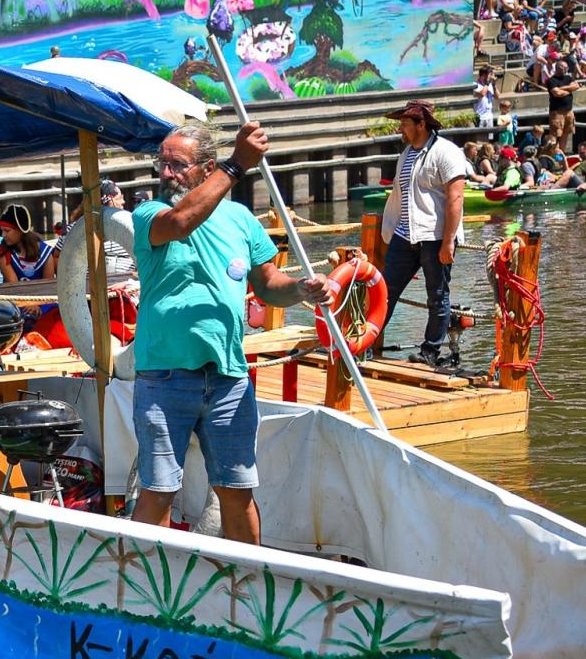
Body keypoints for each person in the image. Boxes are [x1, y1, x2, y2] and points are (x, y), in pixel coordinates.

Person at [126, 121, 331, 543]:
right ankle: (144, 589)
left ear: (205, 168)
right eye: (161, 163)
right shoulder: (150, 214)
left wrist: (303, 290)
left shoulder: (241, 220)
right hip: (164, 376)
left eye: (177, 165)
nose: (166, 173)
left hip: (228, 379)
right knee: (159, 491)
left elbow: (270, 285)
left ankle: (250, 587)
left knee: (237, 492)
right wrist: (239, 165)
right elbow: (182, 221)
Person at [378, 99, 471, 370]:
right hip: (405, 236)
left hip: (434, 237)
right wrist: (389, 233)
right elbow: (400, 197)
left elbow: (456, 199)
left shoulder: (447, 152)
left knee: (437, 295)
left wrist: (448, 241)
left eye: (405, 124)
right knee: (384, 291)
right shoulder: (406, 155)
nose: (400, 129)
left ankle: (429, 351)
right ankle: (362, 343)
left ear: (421, 124)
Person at [64, 178, 135, 275]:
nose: (123, 202)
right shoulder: (73, 229)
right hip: (87, 286)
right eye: (119, 198)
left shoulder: (131, 225)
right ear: (108, 201)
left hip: (126, 283)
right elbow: (58, 257)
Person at [0, 203, 57, 283]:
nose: (3, 235)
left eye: (7, 231)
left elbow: (48, 287)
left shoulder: (45, 253)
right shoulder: (3, 252)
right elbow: (14, 286)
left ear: (20, 231)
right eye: (2, 230)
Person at [544, 57, 581, 153]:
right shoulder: (551, 81)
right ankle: (552, 154)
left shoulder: (568, 78)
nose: (567, 69)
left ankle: (561, 154)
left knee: (566, 134)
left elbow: (576, 86)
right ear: (558, 67)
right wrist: (569, 90)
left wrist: (563, 88)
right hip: (557, 112)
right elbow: (557, 93)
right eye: (565, 67)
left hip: (569, 111)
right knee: (555, 135)